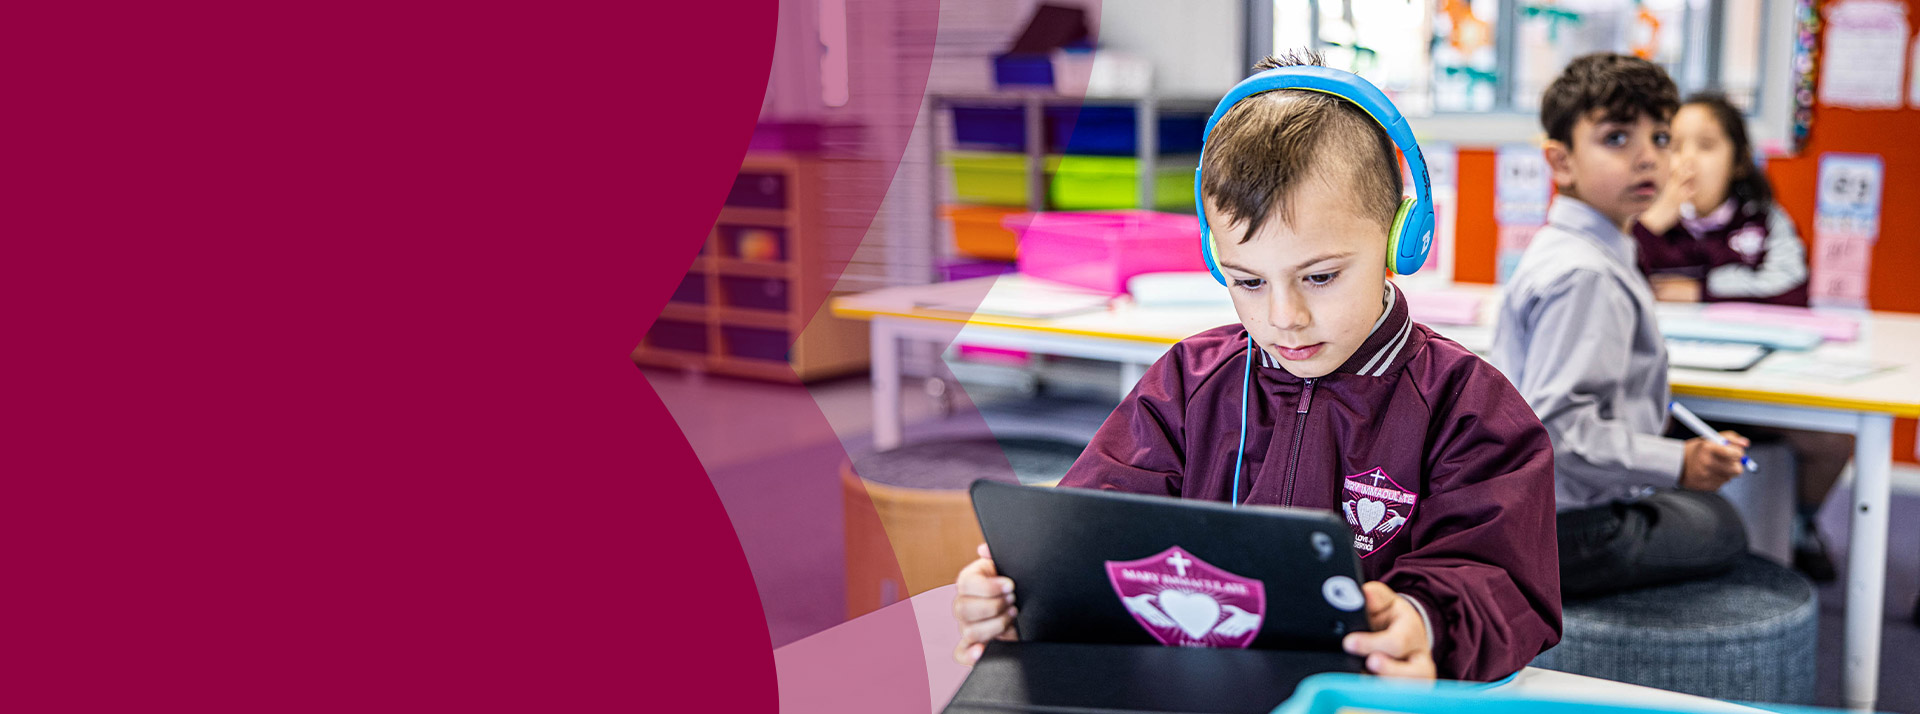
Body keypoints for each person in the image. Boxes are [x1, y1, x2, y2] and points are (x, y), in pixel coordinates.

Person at [952, 53, 1562, 682]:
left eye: (1320, 276)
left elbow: (1504, 581)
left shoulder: (1467, 404)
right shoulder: (1188, 385)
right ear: (1216, 261)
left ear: (1398, 239)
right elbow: (1093, 531)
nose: (1284, 316)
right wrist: (1024, 595)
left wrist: (1422, 621)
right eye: (1247, 280)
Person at [1489, 53, 1751, 600]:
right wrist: (1678, 461)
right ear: (1560, 162)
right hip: (1565, 529)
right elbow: (1557, 432)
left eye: (1660, 138)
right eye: (1616, 138)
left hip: (1546, 509)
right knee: (1722, 524)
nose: (1647, 158)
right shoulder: (1587, 274)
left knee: (1704, 511)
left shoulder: (1583, 248)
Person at [1631, 92, 1852, 581]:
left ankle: (1803, 524)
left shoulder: (1763, 219)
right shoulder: (1641, 221)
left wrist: (1703, 289)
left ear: (1735, 161)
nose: (1687, 159)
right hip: (1671, 392)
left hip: (1756, 388)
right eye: (1674, 143)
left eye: (1706, 145)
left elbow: (1792, 288)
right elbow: (1610, 276)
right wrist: (1652, 223)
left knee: (1834, 440)